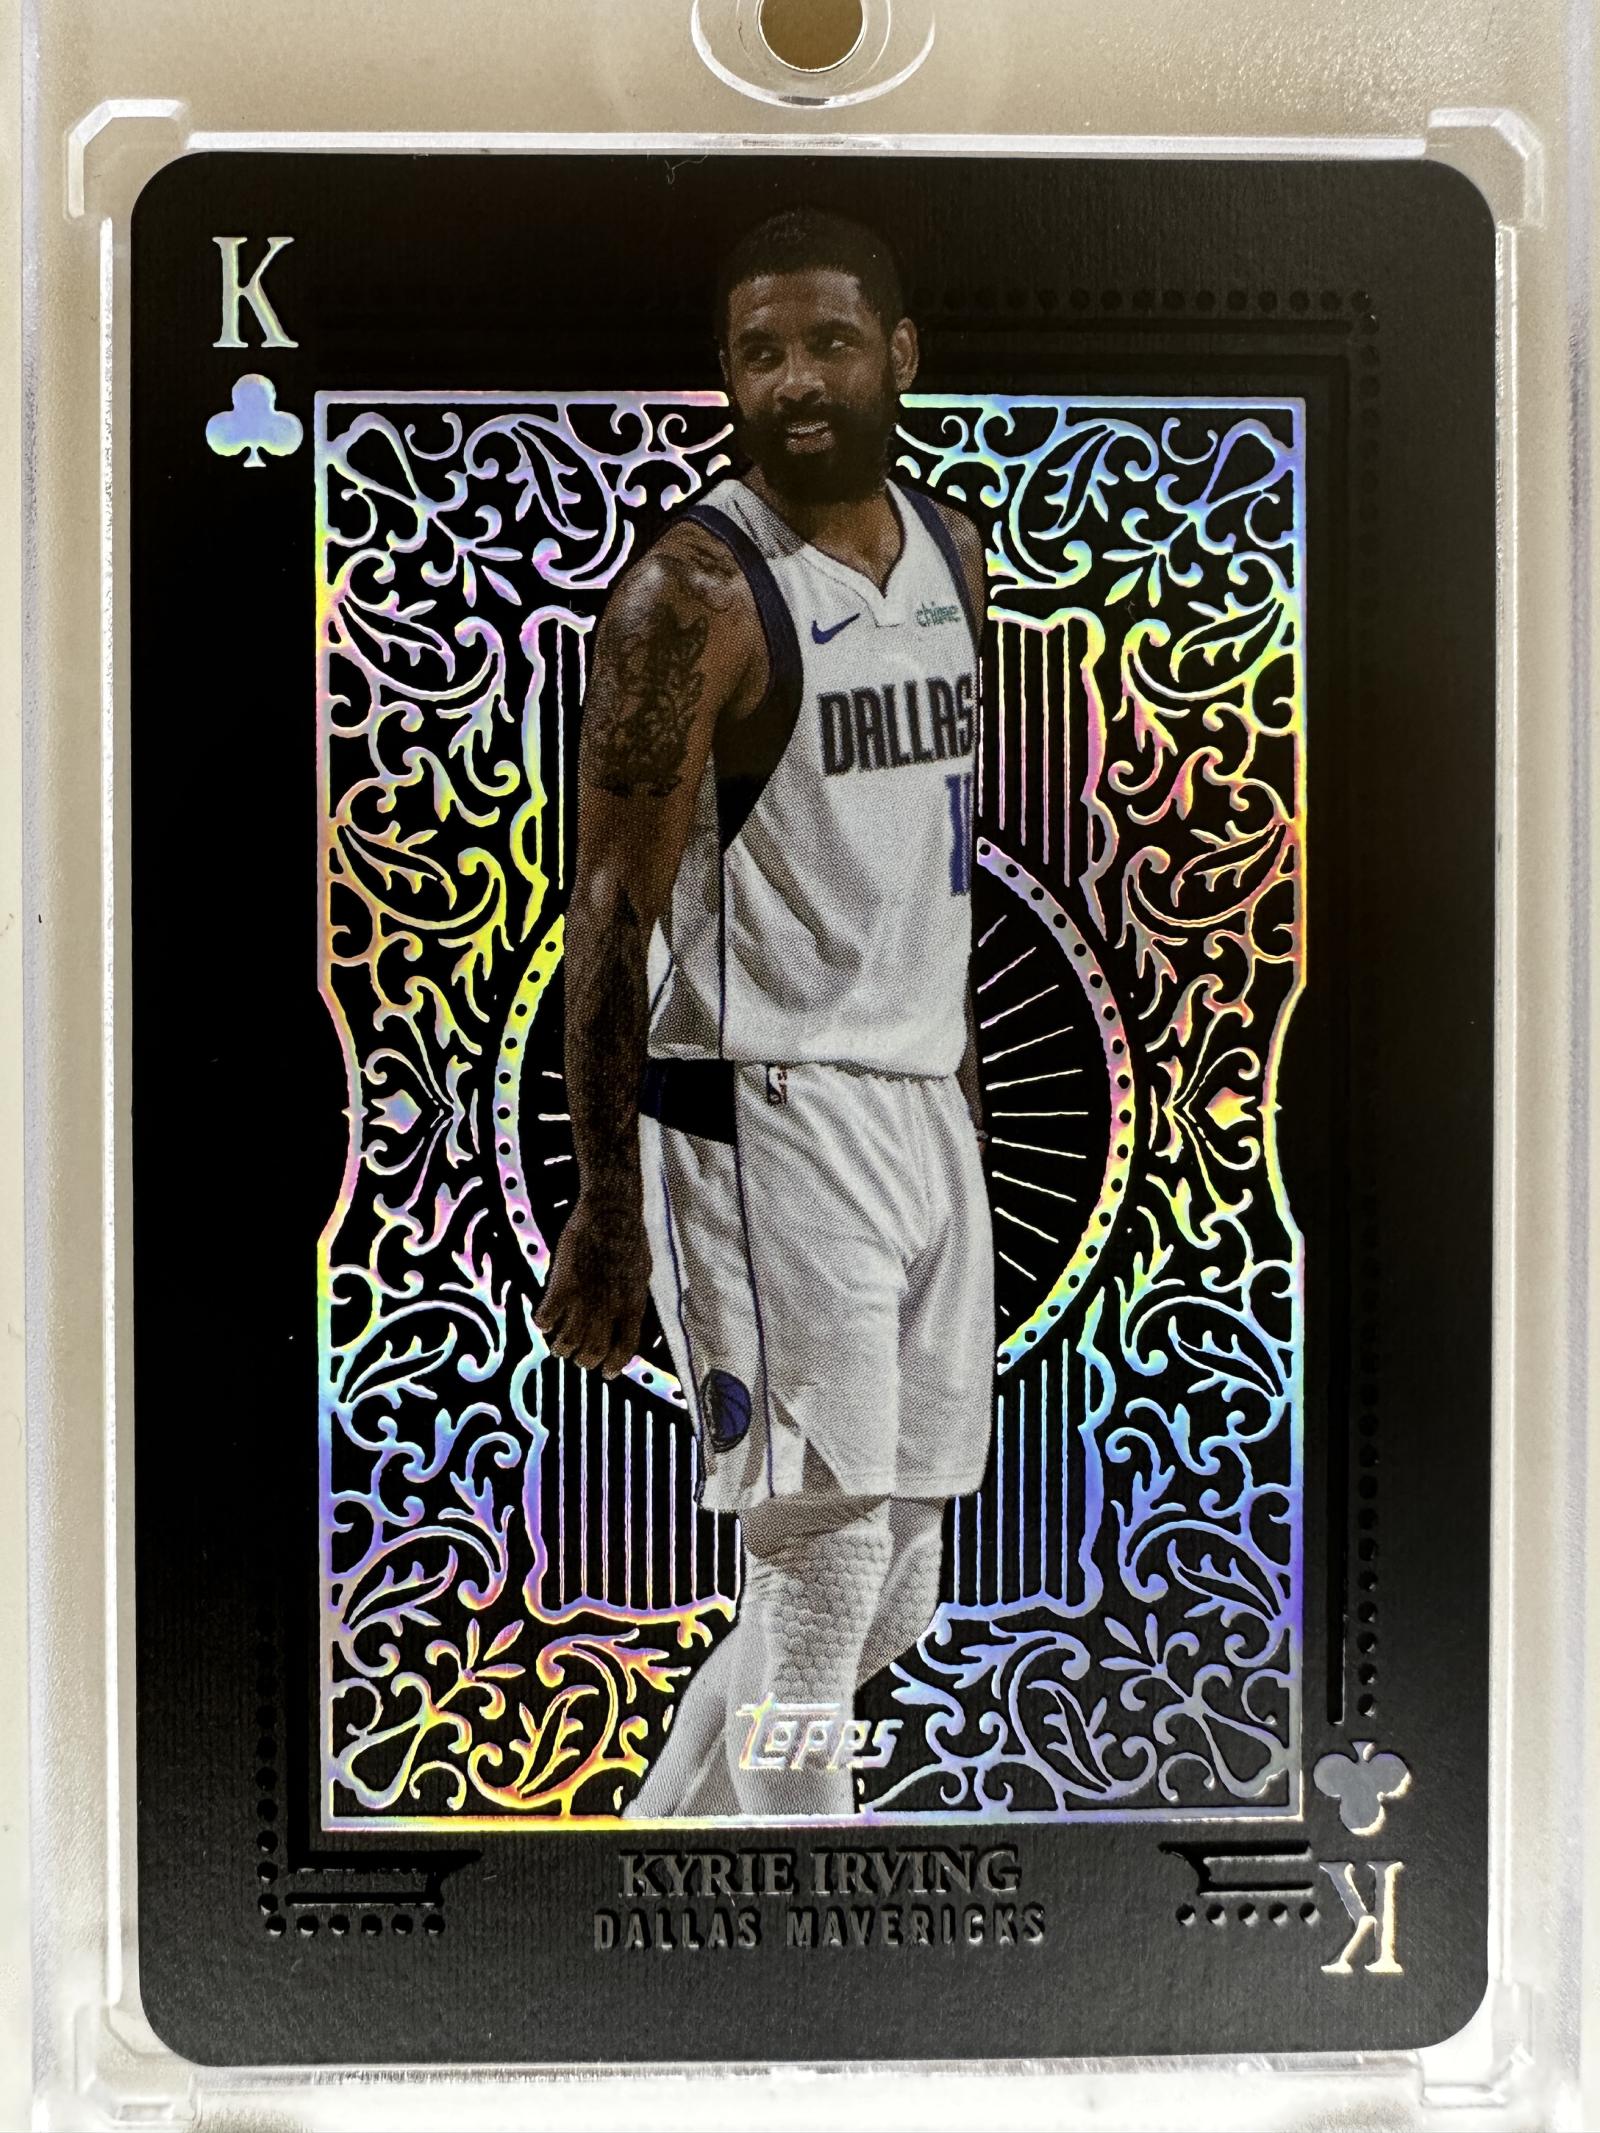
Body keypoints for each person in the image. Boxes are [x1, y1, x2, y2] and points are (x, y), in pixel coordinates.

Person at [534, 207, 994, 1819]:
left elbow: (928, 855)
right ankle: (801, 1893)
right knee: (818, 1567)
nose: (796, 380)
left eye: (831, 343)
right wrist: (606, 1204)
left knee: (900, 1581)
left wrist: (959, 1096)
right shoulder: (694, 595)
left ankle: (659, 1837)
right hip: (767, 1107)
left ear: (901, 355)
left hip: (919, 1098)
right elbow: (611, 909)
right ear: (726, 375)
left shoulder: (951, 552)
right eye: (759, 353)